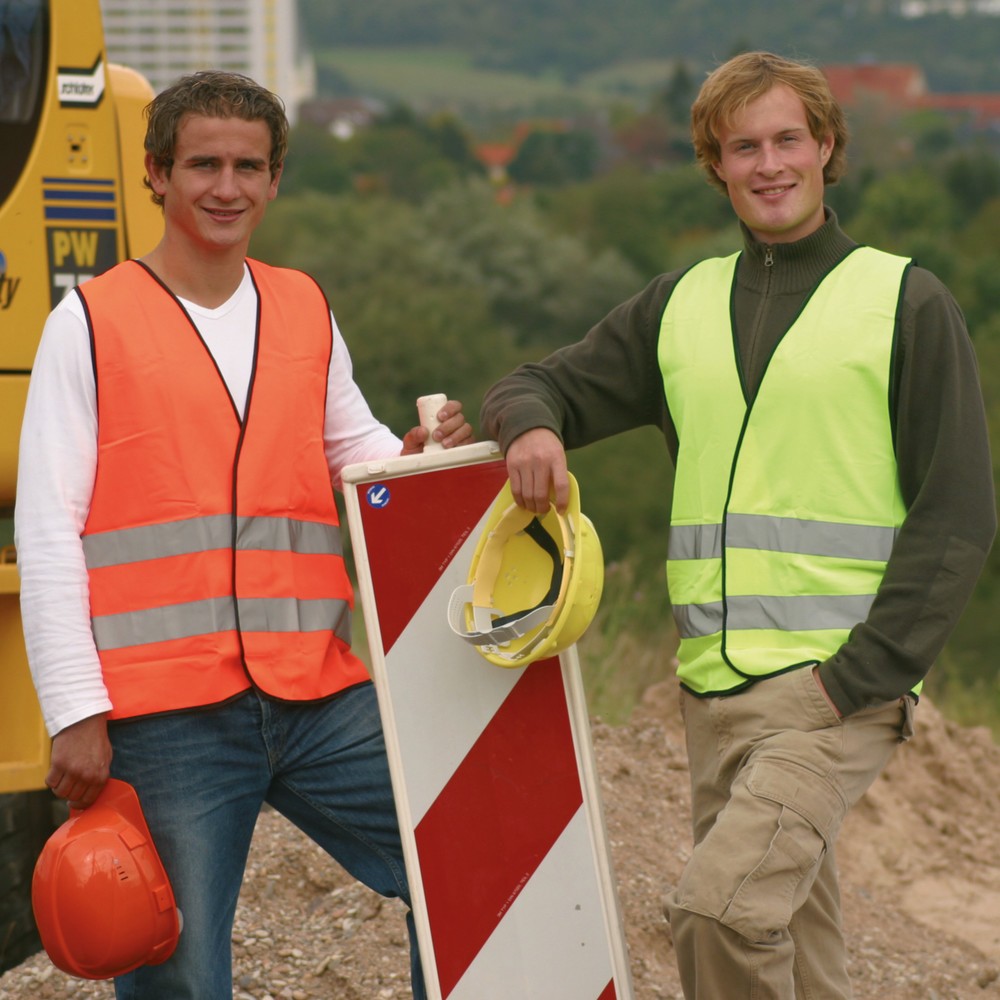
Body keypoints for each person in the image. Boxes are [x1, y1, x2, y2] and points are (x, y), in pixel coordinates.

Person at [480, 51, 995, 998]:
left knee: (722, 911)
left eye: (788, 139)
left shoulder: (905, 300)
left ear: (827, 146)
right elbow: (532, 383)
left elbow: (958, 515)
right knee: (796, 950)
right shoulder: (680, 305)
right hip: (713, 695)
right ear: (715, 165)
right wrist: (535, 425)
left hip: (831, 692)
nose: (768, 165)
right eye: (742, 146)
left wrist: (859, 681)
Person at [15, 69, 474, 999]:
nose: (227, 187)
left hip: (313, 692)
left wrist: (415, 458)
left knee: (465, 861)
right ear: (155, 174)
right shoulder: (88, 324)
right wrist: (74, 710)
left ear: (275, 181)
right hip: (164, 718)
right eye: (204, 166)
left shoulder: (304, 305)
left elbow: (359, 459)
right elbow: (50, 529)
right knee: (177, 973)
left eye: (248, 167)